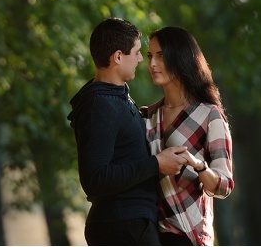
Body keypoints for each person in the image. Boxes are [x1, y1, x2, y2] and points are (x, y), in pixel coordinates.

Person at [68, 17, 186, 246]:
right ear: (118, 57)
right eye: (137, 52)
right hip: (122, 226)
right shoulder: (99, 106)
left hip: (133, 223)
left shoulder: (117, 97)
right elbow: (94, 179)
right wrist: (156, 164)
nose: (142, 59)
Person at [141, 26, 234, 246]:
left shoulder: (209, 114)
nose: (152, 64)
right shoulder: (147, 116)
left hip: (190, 237)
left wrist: (198, 165)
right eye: (149, 56)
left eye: (161, 56)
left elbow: (223, 186)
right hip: (151, 235)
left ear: (180, 57)